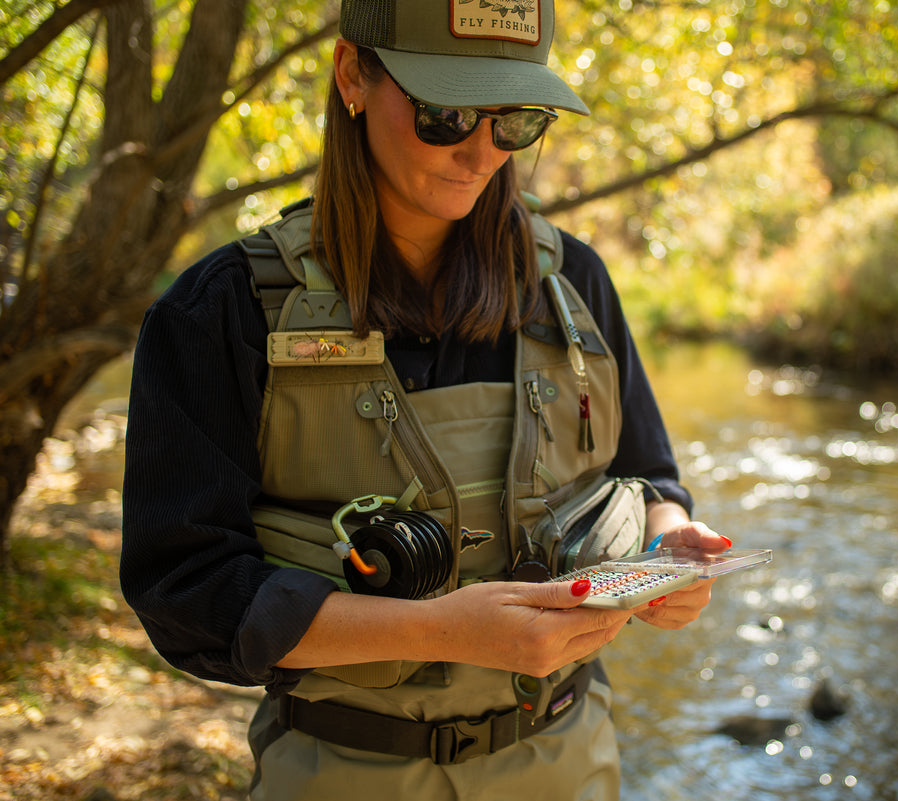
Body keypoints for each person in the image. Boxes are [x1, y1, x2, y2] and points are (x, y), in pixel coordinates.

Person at [119, 0, 731, 798]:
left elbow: (648, 476)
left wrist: (672, 543)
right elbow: (185, 594)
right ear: (352, 77)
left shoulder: (575, 282)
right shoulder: (222, 311)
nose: (483, 152)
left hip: (571, 761)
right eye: (447, 113)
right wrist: (439, 628)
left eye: (515, 120)